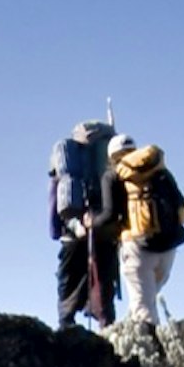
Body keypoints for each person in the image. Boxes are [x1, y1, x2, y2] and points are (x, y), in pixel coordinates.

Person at [47, 118, 120, 331]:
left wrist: (58, 228)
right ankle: (106, 326)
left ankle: (66, 324)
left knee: (69, 282)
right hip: (104, 231)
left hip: (72, 231)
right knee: (104, 281)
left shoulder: (69, 163)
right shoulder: (108, 161)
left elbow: (54, 199)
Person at [111, 135, 184, 330]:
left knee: (143, 309)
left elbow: (110, 215)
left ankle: (149, 354)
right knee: (147, 300)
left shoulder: (117, 176)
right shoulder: (160, 170)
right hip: (168, 247)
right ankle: (143, 343)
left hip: (137, 247)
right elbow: (183, 207)